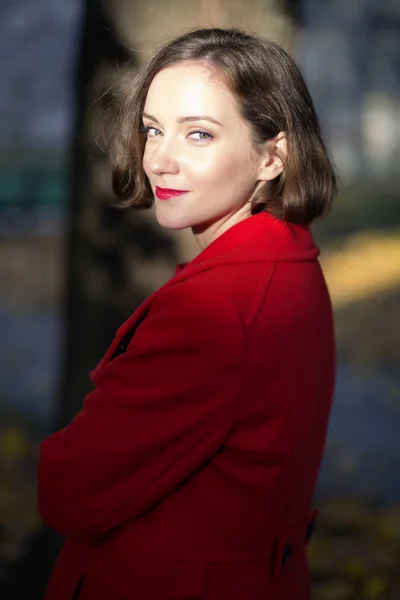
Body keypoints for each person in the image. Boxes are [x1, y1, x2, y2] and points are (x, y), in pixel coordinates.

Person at [38, 27, 336, 600]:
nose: (160, 160)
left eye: (198, 134)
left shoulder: (213, 306)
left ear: (272, 155)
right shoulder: (288, 260)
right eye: (153, 130)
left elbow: (67, 490)